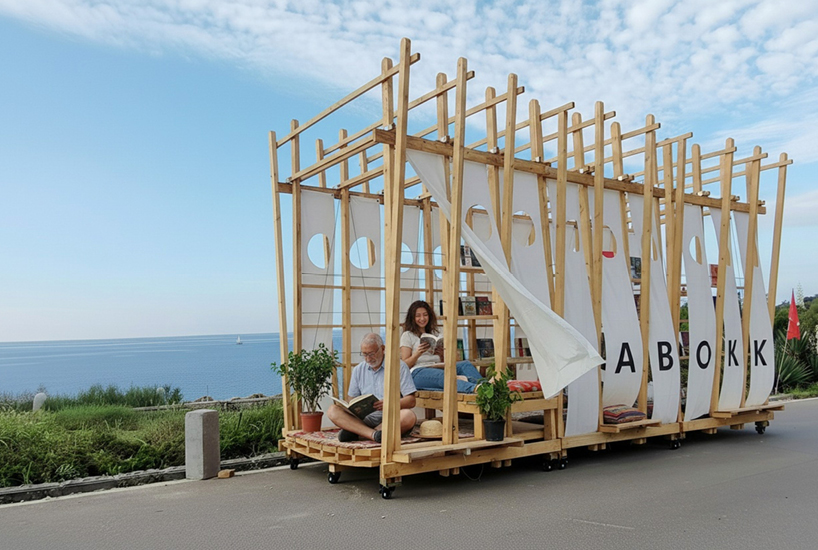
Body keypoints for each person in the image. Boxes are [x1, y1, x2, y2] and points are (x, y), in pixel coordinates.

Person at [326, 333, 417, 443]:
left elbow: (411, 401)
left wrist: (389, 403)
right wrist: (355, 407)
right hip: (365, 419)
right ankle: (374, 434)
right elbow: (351, 399)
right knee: (332, 411)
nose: (368, 358)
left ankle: (361, 433)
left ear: (382, 349)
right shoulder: (358, 370)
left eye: (372, 354)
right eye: (364, 354)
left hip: (390, 417)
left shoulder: (399, 366)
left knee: (409, 416)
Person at [399, 300, 483, 393]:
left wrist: (442, 353)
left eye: (425, 315)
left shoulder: (435, 333)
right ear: (412, 318)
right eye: (418, 315)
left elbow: (454, 360)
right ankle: (476, 389)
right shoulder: (408, 335)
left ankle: (487, 385)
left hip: (438, 366)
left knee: (465, 365)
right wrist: (417, 354)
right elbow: (404, 365)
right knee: (444, 375)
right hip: (418, 372)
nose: (422, 318)